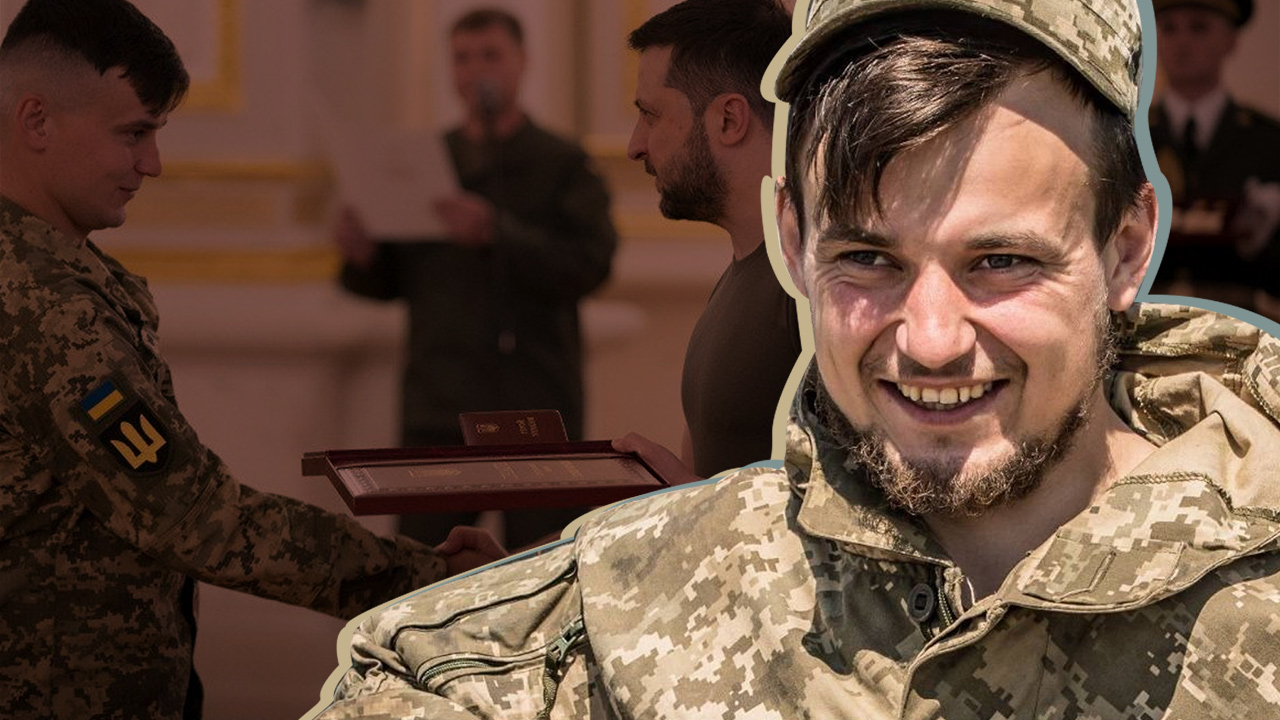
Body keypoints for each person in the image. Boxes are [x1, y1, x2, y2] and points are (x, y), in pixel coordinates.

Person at [314, 0, 1280, 717]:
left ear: (1126, 250)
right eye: (868, 259)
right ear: (791, 237)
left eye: (1000, 262)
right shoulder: (649, 594)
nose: (931, 339)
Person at [0, 2, 502, 719]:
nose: (153, 164)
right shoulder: (47, 307)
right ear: (37, 121)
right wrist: (425, 578)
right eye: (133, 134)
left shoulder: (54, 277)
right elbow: (193, 515)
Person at [336, 8, 618, 549]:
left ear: (522, 61)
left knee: (540, 560)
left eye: (490, 55)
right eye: (463, 58)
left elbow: (591, 262)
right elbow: (393, 280)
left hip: (535, 401)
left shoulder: (560, 161)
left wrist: (496, 231)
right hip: (440, 397)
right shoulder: (426, 161)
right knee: (425, 559)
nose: (476, 70)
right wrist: (363, 253)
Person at [614, 0, 802, 483]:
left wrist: (680, 497)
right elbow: (708, 483)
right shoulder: (745, 266)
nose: (635, 145)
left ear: (728, 120)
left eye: (651, 115)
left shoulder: (810, 280)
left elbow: (847, 508)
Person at [1146, 0, 1280, 312]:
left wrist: (1261, 243)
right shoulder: (1126, 136)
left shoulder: (1270, 143)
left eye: (1199, 27)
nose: (1182, 42)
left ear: (1230, 40)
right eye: (1168, 28)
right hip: (1147, 320)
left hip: (1242, 320)